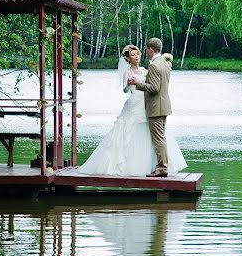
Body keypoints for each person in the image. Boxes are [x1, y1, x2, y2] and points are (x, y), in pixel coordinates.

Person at [78, 44, 186, 177]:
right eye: (133, 55)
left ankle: (153, 164)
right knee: (128, 131)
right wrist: (128, 83)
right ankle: (130, 165)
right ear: (128, 59)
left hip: (147, 103)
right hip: (134, 102)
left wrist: (139, 83)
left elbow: (152, 85)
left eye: (138, 54)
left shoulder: (145, 70)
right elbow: (125, 90)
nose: (136, 57)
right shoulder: (127, 72)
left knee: (151, 133)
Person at [128, 37, 175, 177]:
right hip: (164, 105)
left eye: (147, 50)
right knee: (161, 137)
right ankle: (162, 165)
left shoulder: (154, 65)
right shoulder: (166, 63)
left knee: (158, 138)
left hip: (155, 107)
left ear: (150, 49)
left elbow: (154, 88)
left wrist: (137, 83)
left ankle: (162, 168)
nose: (146, 52)